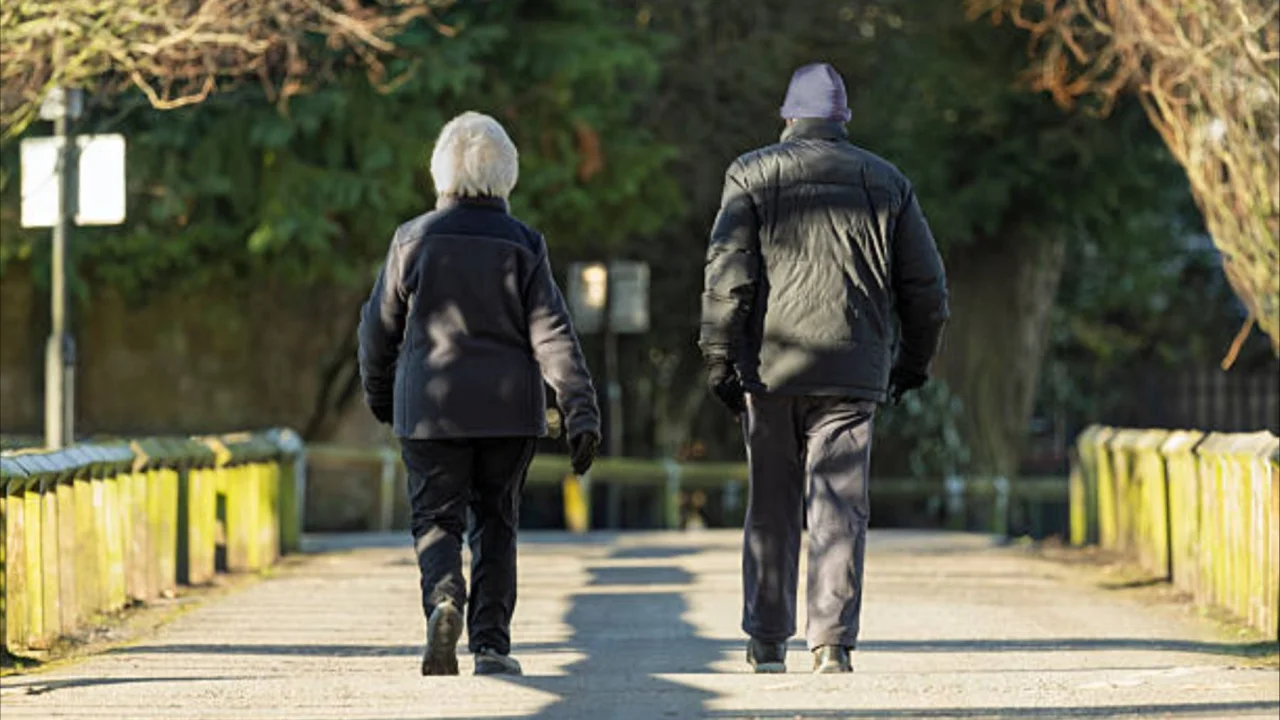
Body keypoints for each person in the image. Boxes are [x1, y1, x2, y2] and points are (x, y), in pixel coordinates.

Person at [698, 63, 949, 674]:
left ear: (788, 117)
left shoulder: (751, 172)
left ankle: (764, 640)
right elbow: (926, 290)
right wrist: (910, 364)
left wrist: (718, 356)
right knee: (840, 505)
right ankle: (831, 641)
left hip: (772, 367)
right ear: (844, 120)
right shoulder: (888, 182)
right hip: (852, 369)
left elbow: (729, 273)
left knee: (772, 504)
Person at [358, 111, 601, 677]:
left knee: (436, 518)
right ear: (507, 175)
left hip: (430, 409)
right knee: (497, 521)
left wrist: (381, 395)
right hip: (507, 411)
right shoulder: (524, 244)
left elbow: (378, 329)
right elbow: (553, 333)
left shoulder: (412, 240)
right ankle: (490, 644)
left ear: (440, 172)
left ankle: (444, 599)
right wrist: (580, 409)